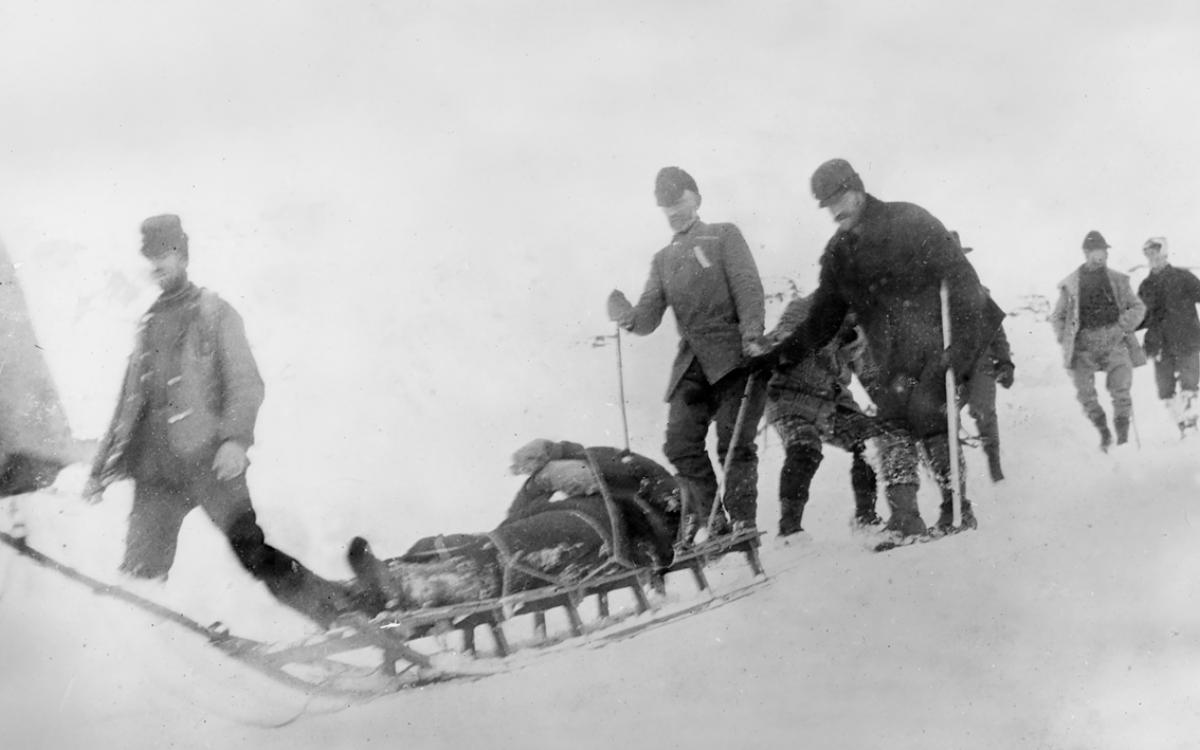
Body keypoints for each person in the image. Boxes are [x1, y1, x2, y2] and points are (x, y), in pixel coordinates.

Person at [82, 214, 352, 628]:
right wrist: (100, 469)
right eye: (151, 256)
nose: (158, 264)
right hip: (156, 471)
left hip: (209, 461)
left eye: (166, 254)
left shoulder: (215, 313)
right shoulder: (148, 323)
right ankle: (150, 668)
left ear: (184, 256)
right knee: (140, 573)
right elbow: (127, 405)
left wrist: (235, 441)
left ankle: (343, 612)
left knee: (252, 553)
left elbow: (246, 383)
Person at [763, 159, 1000, 541]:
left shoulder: (910, 220)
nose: (835, 209)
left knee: (930, 417)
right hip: (891, 355)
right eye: (826, 203)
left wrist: (961, 350)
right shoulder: (839, 251)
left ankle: (956, 508)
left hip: (936, 343)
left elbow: (964, 284)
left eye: (840, 197)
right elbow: (824, 317)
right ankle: (905, 520)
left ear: (857, 189)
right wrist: (780, 356)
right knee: (891, 426)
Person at [606, 167, 767, 540]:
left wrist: (753, 335)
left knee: (734, 441)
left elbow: (747, 286)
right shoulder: (663, 260)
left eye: (678, 202)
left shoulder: (723, 235)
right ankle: (715, 519)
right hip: (692, 364)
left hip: (735, 354)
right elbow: (648, 317)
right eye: (666, 207)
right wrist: (626, 315)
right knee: (679, 444)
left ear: (695, 198)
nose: (674, 212)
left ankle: (743, 521)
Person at [348, 438, 684, 614]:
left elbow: (662, 515)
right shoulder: (579, 462)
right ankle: (378, 579)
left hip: (602, 530)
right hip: (574, 516)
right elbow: (539, 492)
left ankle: (413, 589)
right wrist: (544, 472)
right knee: (487, 543)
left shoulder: (645, 478)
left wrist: (655, 551)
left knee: (506, 556)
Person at [763, 295, 882, 540]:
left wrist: (892, 404)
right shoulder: (804, 307)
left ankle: (866, 518)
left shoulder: (860, 320)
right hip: (790, 395)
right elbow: (781, 338)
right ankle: (790, 529)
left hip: (833, 401)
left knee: (869, 440)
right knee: (804, 448)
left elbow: (870, 374)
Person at [1050, 231, 1146, 450]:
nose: (1101, 256)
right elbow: (1058, 316)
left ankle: (1122, 439)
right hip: (1084, 345)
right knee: (1085, 394)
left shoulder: (1119, 280)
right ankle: (1104, 432)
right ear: (1086, 253)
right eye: (1096, 252)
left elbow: (1138, 306)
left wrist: (1122, 326)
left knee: (1121, 390)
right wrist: (1065, 339)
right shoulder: (1071, 284)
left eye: (1103, 252)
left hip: (1114, 340)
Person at [1136, 237, 1200, 436]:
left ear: (1165, 253)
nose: (1153, 257)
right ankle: (1182, 424)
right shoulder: (1146, 286)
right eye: (1149, 254)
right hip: (1160, 345)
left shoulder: (1183, 277)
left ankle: (1191, 426)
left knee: (1190, 385)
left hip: (1187, 341)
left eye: (1156, 252)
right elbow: (1140, 317)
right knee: (1166, 392)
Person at [965, 296, 1014, 481]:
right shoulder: (928, 292)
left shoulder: (978, 294)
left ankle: (994, 463)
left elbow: (997, 333)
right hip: (944, 364)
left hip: (979, 362)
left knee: (983, 410)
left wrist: (1005, 362)